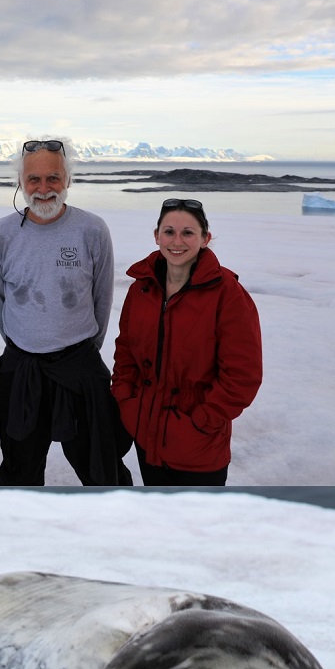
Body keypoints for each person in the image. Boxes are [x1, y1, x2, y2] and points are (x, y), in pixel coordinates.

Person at [0, 137, 131, 486]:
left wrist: (78, 351)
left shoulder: (92, 230)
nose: (43, 188)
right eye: (34, 179)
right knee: (20, 471)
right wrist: (27, 341)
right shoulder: (2, 234)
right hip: (23, 369)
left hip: (79, 367)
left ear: (68, 180)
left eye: (53, 178)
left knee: (100, 467)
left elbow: (102, 299)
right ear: (20, 182)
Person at [112, 198, 262, 485]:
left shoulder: (227, 294)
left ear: (206, 238)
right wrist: (127, 399)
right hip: (146, 434)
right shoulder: (142, 288)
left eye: (188, 233)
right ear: (156, 236)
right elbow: (126, 352)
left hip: (199, 446)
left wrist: (201, 422)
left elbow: (243, 375)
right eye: (169, 232)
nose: (176, 241)